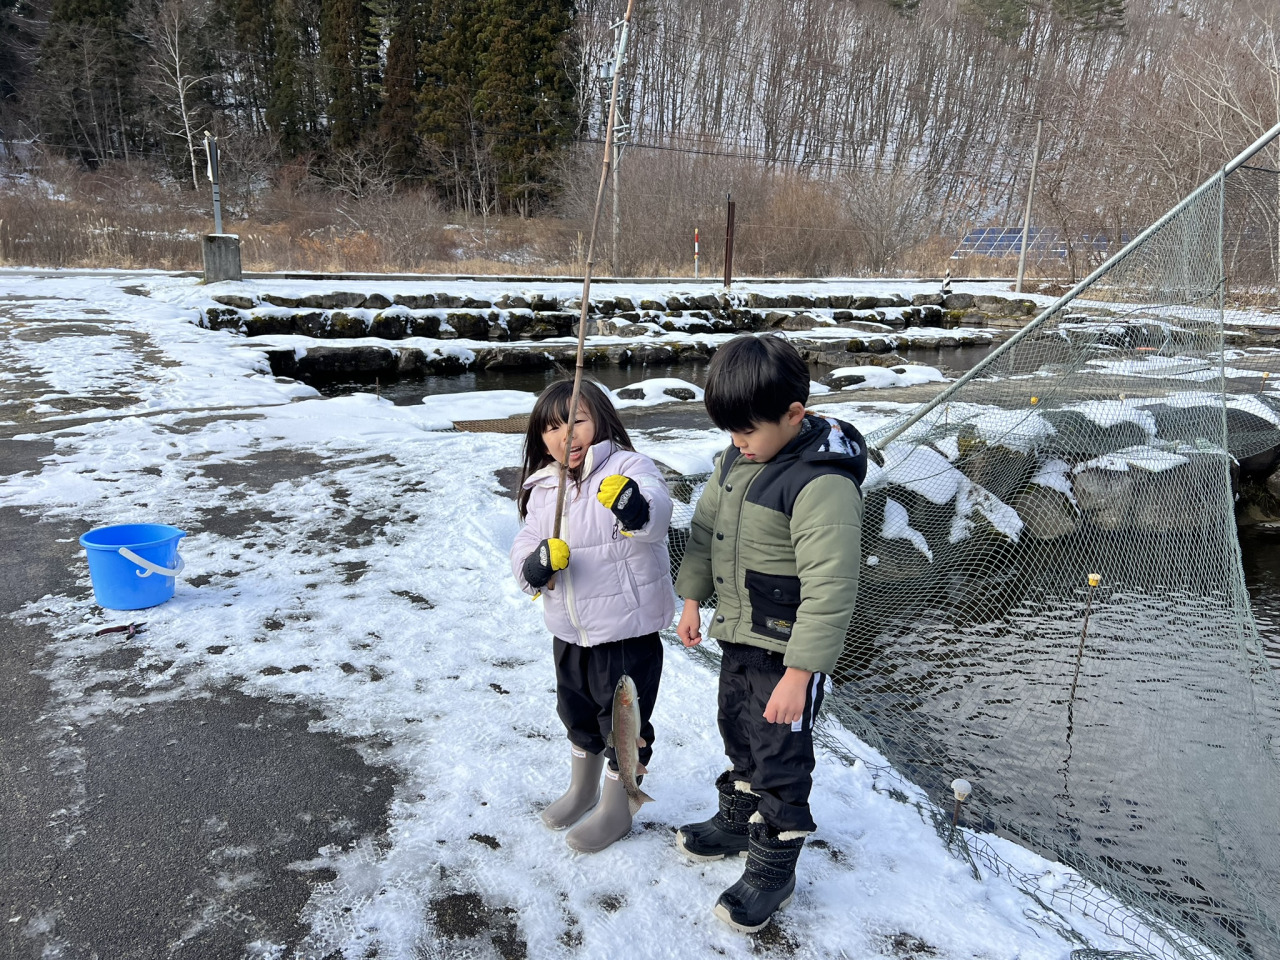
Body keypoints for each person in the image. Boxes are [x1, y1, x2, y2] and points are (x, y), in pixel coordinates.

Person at [673, 334, 866, 932]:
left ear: (794, 416)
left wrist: (801, 672)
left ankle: (774, 865)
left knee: (781, 754)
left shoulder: (821, 483)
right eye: (731, 432)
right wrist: (691, 597)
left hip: (788, 651)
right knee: (737, 725)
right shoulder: (737, 462)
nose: (737, 444)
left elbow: (832, 586)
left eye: (748, 431)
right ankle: (737, 819)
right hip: (739, 632)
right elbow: (706, 531)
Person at [510, 377, 675, 853]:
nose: (567, 436)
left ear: (600, 419)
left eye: (577, 421)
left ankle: (619, 805)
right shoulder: (543, 487)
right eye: (553, 428)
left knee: (623, 725)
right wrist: (536, 566)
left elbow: (657, 517)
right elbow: (523, 549)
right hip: (569, 631)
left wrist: (633, 506)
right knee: (576, 713)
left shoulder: (628, 467)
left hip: (626, 632)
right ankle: (583, 789)